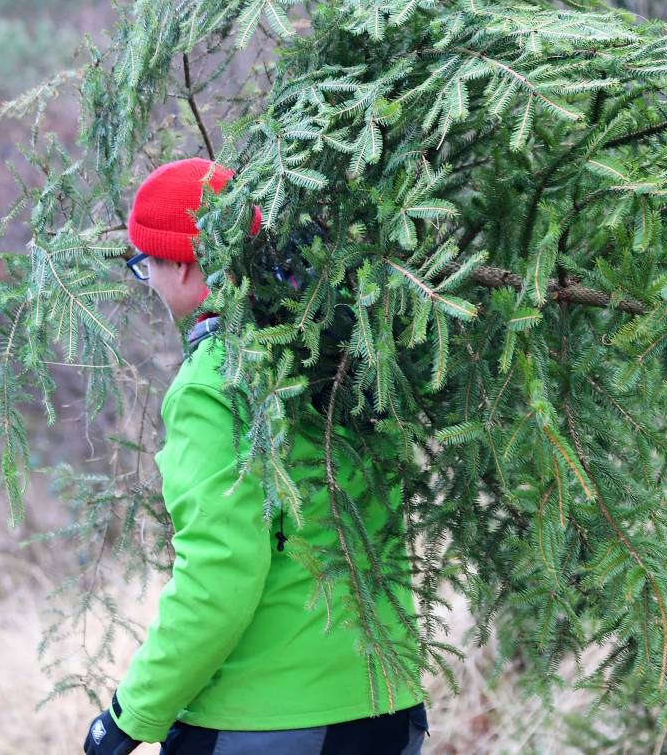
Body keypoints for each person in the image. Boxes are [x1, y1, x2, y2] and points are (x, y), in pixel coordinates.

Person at [82, 157, 429, 755]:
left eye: (148, 268)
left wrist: (128, 715)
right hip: (386, 706)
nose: (153, 287)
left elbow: (220, 576)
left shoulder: (215, 383)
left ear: (187, 265)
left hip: (264, 723)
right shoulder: (344, 346)